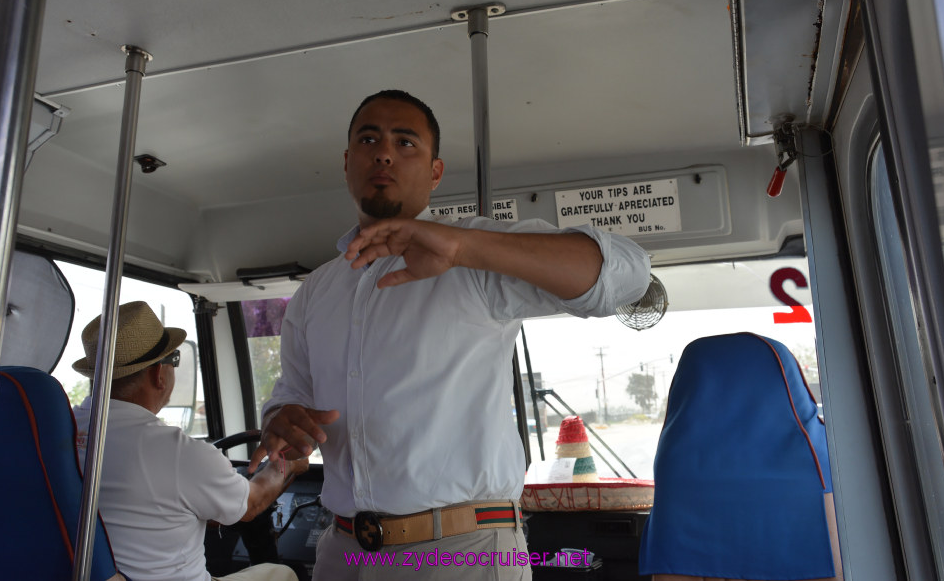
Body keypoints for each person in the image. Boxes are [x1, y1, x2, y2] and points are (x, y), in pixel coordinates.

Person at [253, 89, 651, 579]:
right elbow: (292, 394)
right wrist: (281, 419)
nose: (383, 152)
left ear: (435, 172)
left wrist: (463, 247)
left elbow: (628, 276)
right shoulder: (317, 290)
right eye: (369, 139)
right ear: (347, 162)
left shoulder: (475, 257)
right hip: (343, 551)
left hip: (463, 549)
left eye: (406, 143)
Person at [72, 301, 305, 581]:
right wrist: (288, 463)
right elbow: (252, 504)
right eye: (174, 360)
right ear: (159, 374)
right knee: (282, 574)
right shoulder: (177, 452)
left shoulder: (59, 432)